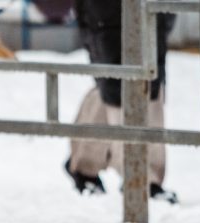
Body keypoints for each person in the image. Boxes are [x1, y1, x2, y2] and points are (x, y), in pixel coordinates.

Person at [66, 1, 178, 204]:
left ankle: (86, 162)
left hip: (146, 9)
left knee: (144, 80)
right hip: (107, 12)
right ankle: (141, 175)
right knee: (117, 81)